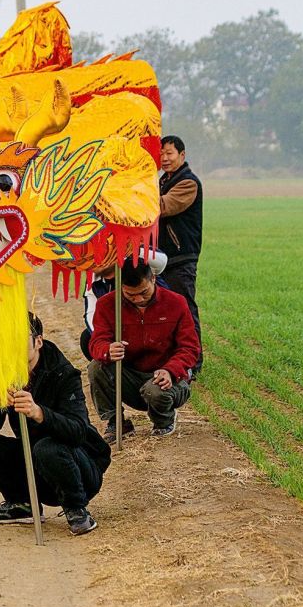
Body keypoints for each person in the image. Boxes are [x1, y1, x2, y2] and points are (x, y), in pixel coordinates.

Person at [0, 313, 111, 536]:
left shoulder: (63, 373)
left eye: (19, 338)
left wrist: (39, 413)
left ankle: (76, 510)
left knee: (47, 446)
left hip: (78, 468)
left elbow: (78, 431)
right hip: (35, 464)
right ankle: (22, 504)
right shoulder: (2, 372)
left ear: (38, 341)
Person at [87, 258, 200, 439]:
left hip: (166, 377)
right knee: (96, 367)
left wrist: (171, 370)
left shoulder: (176, 302)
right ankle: (116, 423)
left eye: (144, 292)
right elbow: (96, 342)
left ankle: (164, 419)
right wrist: (108, 349)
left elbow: (190, 347)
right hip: (130, 377)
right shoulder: (107, 305)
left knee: (155, 391)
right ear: (120, 286)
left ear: (153, 279)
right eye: (130, 295)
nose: (138, 299)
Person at [159, 134, 204, 372]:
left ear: (182, 155)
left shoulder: (187, 183)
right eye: (161, 154)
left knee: (185, 310)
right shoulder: (162, 181)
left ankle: (193, 362)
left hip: (180, 257)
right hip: (162, 259)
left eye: (170, 153)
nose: (165, 158)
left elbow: (163, 206)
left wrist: (130, 201)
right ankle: (174, 358)